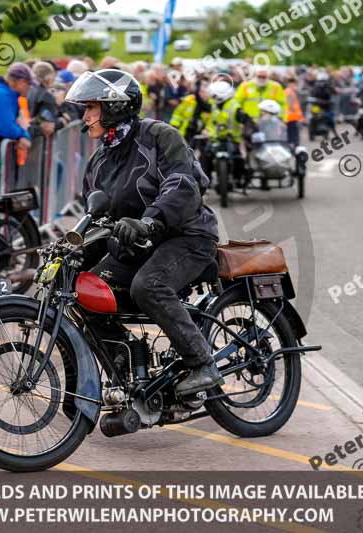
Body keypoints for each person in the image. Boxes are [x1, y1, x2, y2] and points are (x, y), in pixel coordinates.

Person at [65, 69, 224, 395]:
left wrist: (150, 220)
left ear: (114, 107)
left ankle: (202, 363)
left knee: (148, 286)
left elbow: (182, 185)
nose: (85, 117)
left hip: (186, 235)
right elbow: (96, 215)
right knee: (81, 289)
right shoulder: (100, 161)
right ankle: (125, 366)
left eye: (91, 109)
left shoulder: (158, 136)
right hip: (138, 245)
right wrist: (71, 250)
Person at [169, 79, 211, 145]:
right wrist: (174, 125)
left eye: (205, 92)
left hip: (202, 135)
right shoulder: (189, 99)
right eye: (201, 92)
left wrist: (207, 129)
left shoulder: (211, 104)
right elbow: (178, 113)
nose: (202, 94)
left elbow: (212, 121)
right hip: (186, 131)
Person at [27, 61, 59, 139]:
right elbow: (47, 124)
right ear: (49, 77)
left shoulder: (29, 91)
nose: (54, 79)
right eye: (53, 76)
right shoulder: (46, 96)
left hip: (28, 135)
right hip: (37, 140)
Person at [284, 77, 303, 146]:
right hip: (291, 117)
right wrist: (295, 111)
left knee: (291, 133)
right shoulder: (290, 91)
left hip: (290, 117)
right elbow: (289, 103)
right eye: (295, 84)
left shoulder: (287, 91)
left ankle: (292, 145)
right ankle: (294, 147)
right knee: (293, 134)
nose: (295, 86)